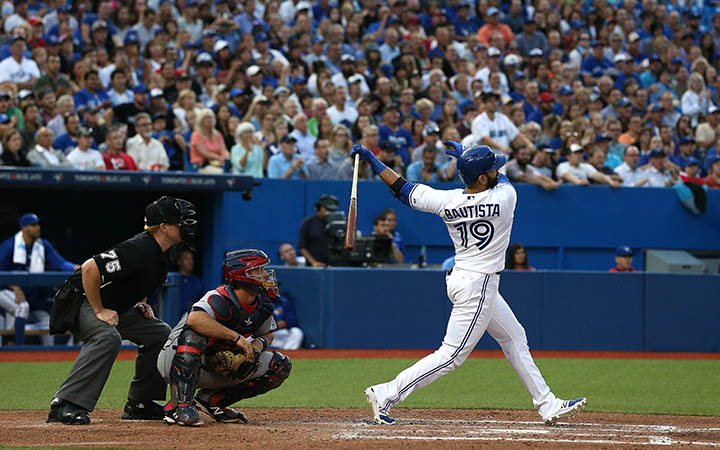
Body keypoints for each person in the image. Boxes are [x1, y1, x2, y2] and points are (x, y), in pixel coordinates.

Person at [350, 141, 586, 426]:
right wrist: (466, 154)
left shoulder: (448, 201)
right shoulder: (504, 197)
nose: (497, 170)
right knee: (451, 356)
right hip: (479, 286)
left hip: (463, 277)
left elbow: (402, 188)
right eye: (491, 169)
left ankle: (548, 404)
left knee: (514, 337)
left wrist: (372, 159)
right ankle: (386, 393)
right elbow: (503, 177)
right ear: (483, 178)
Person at [47, 197, 198, 425]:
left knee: (159, 333)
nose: (187, 226)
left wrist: (141, 302)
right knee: (107, 337)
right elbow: (90, 268)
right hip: (81, 301)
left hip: (114, 306)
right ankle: (65, 403)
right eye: (181, 222)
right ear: (164, 228)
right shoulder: (139, 247)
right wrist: (99, 311)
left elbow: (142, 280)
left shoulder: (165, 251)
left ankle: (141, 403)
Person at [156, 249, 291, 426]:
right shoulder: (219, 297)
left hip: (214, 363)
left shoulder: (262, 304)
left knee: (280, 365)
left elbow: (268, 334)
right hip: (175, 359)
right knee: (194, 334)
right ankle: (180, 404)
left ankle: (211, 401)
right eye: (259, 270)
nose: (266, 274)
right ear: (242, 275)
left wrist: (257, 347)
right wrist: (236, 338)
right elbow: (195, 319)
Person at [0, 213, 79, 346]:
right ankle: (19, 350)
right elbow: (1, 272)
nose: (38, 228)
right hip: (6, 290)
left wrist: (77, 267)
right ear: (24, 228)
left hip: (31, 298)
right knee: (22, 308)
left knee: (47, 319)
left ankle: (49, 356)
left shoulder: (43, 245)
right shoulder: (9, 245)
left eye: (38, 224)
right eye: (33, 225)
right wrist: (14, 287)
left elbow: (59, 264)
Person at [298, 194, 338, 268]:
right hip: (315, 267)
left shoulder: (338, 223)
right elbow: (302, 246)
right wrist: (314, 262)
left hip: (335, 266)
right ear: (318, 208)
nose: (329, 212)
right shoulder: (308, 223)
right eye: (326, 209)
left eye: (332, 210)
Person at [177, 248, 204, 316]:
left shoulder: (198, 283)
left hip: (189, 320)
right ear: (179, 261)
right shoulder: (172, 280)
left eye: (191, 259)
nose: (190, 262)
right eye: (186, 259)